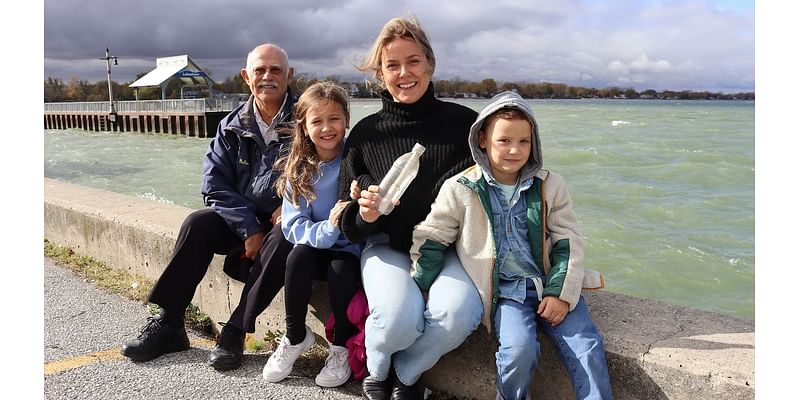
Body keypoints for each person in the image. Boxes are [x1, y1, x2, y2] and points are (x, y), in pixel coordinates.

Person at [409, 90, 612, 400]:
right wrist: (420, 285)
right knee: (519, 350)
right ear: (482, 140)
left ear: (534, 143)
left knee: (587, 345)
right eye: (504, 140)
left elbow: (567, 241)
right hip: (506, 293)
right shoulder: (461, 187)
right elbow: (434, 236)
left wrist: (560, 294)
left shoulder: (550, 184)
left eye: (524, 141)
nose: (515, 150)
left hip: (548, 282)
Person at [120, 43, 296, 372]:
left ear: (289, 75)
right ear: (247, 77)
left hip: (286, 222)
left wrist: (292, 203)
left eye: (275, 70)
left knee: (284, 233)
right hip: (245, 221)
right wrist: (249, 227)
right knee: (197, 224)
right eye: (260, 70)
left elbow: (327, 166)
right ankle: (170, 322)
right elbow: (213, 184)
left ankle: (235, 330)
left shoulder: (307, 118)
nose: (267, 76)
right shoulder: (231, 125)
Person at [337, 16, 483, 400]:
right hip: (386, 243)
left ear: (430, 65)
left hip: (446, 246)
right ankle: (378, 364)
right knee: (398, 321)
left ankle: (406, 371)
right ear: (380, 73)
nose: (404, 73)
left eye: (413, 61)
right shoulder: (365, 135)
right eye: (392, 65)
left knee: (457, 315)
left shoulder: (467, 125)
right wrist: (366, 213)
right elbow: (347, 224)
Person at [261, 81, 361, 388]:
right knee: (298, 256)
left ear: (346, 119)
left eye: (334, 119)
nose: (327, 128)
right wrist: (328, 229)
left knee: (341, 269)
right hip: (318, 242)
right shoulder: (300, 168)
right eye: (317, 121)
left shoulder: (356, 159)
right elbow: (292, 226)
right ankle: (295, 336)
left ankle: (341, 346)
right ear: (304, 125)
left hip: (349, 248)